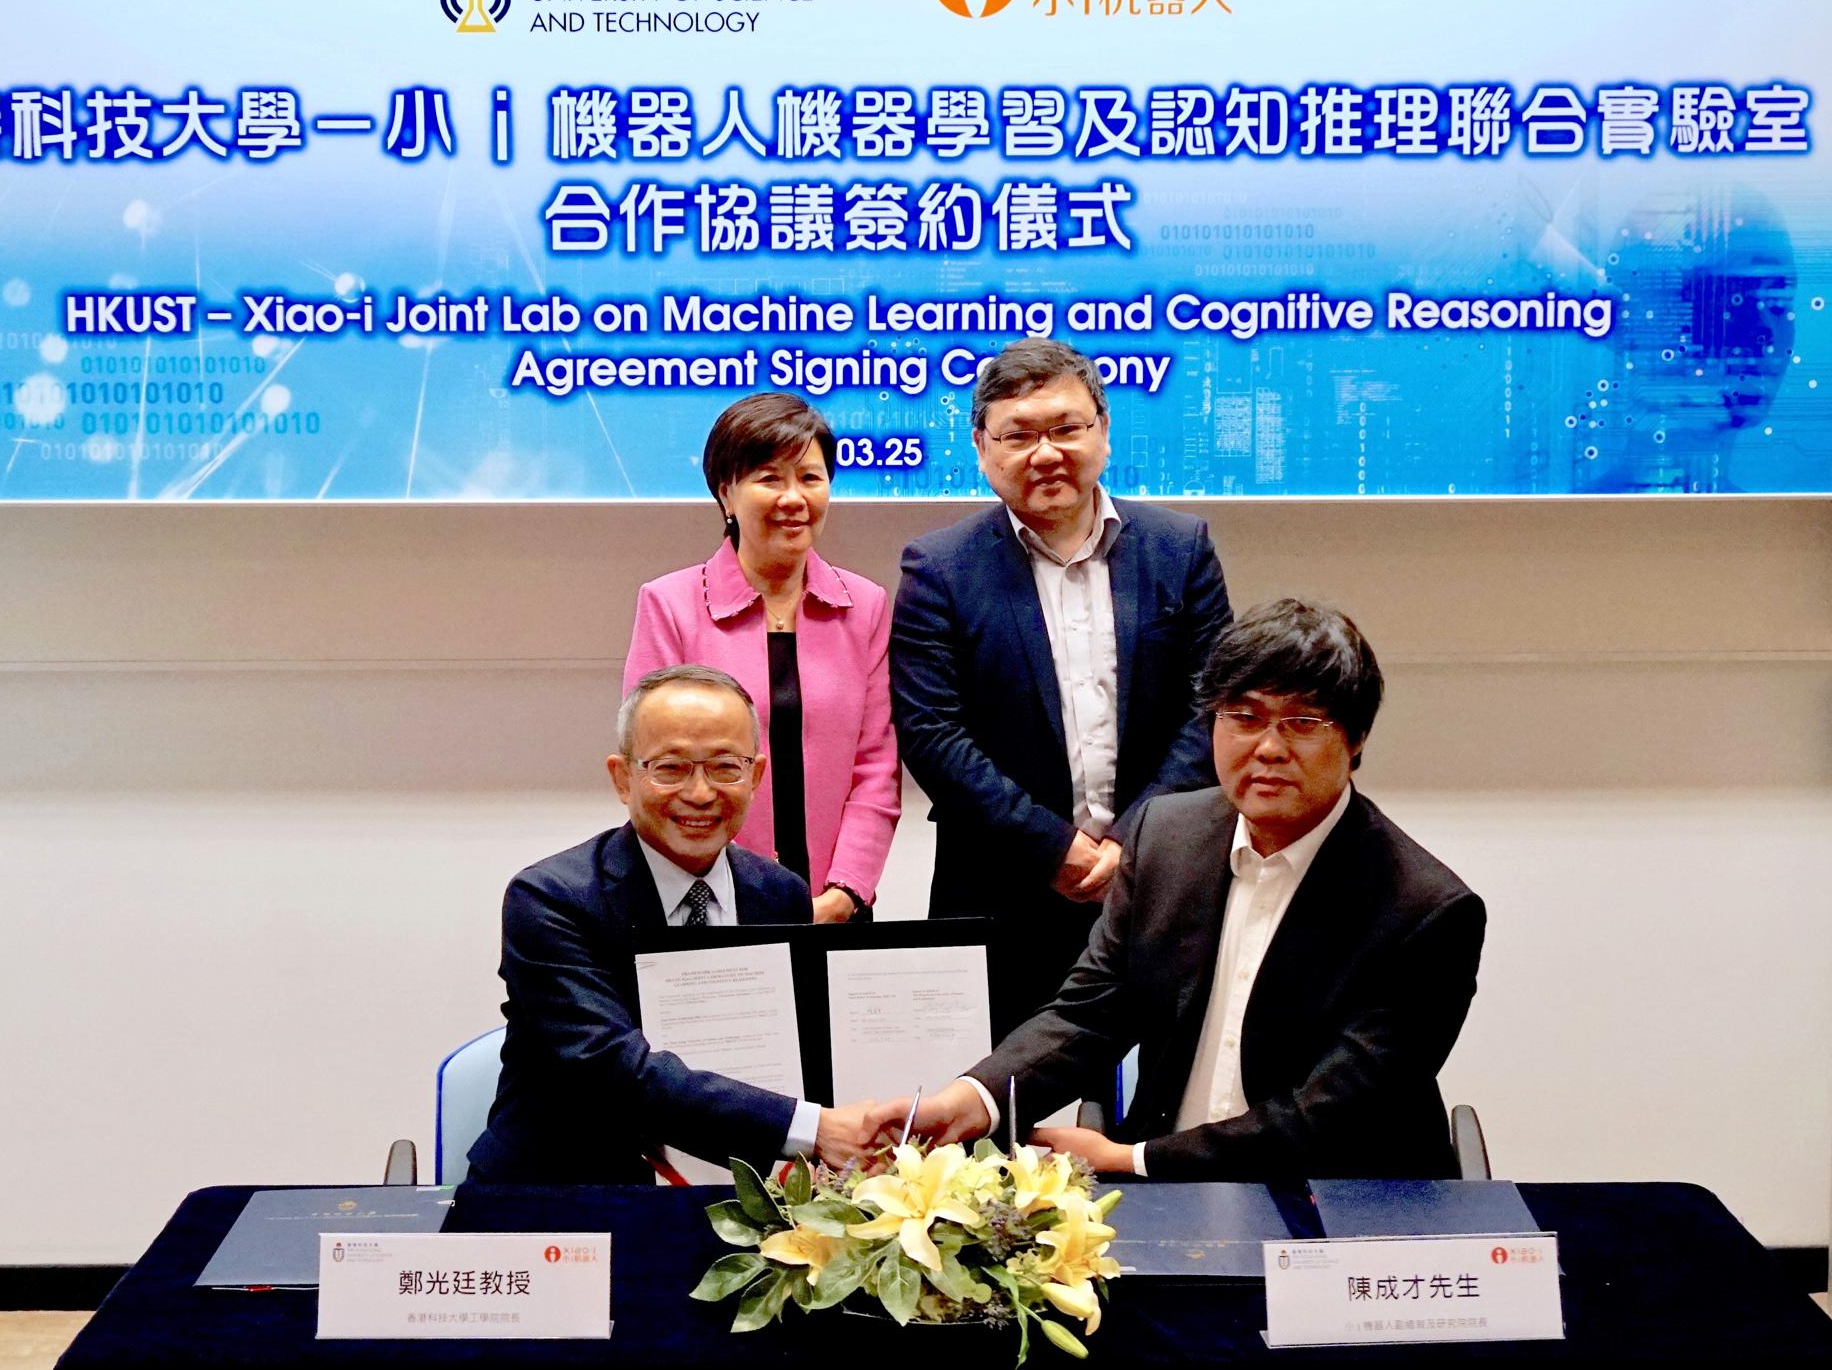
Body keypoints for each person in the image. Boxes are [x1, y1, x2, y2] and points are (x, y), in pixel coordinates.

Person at [883, 600, 1487, 1181]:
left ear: (1355, 740)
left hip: (1333, 1206)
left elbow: (1324, 1115)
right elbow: (1089, 1014)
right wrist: (971, 1099)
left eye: (1303, 722)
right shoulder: (1166, 836)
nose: (1268, 748)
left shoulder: (1426, 912)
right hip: (1165, 1199)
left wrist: (1134, 1160)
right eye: (1244, 718)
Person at [890, 338, 1232, 1035]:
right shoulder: (940, 568)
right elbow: (931, 734)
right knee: (994, 1123)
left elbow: (1214, 708)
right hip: (998, 893)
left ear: (1103, 431)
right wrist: (1055, 849)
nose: (1045, 453)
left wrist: (1129, 845)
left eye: (1065, 428)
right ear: (983, 450)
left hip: (1159, 884)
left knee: (1155, 1111)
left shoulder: (1181, 548)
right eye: (1018, 435)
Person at [464, 665, 882, 1184]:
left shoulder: (781, 893)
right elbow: (608, 1067)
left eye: (726, 767)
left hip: (744, 1191)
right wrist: (813, 1128)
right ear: (623, 778)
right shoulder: (550, 898)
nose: (701, 793)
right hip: (568, 1191)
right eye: (671, 768)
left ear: (755, 775)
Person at [626, 392, 898, 924]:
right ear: (726, 494)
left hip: (839, 905)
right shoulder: (670, 604)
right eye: (770, 478)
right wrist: (729, 898)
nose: (793, 498)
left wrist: (845, 893)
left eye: (810, 478)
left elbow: (877, 769)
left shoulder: (864, 605)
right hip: (709, 907)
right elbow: (659, 773)